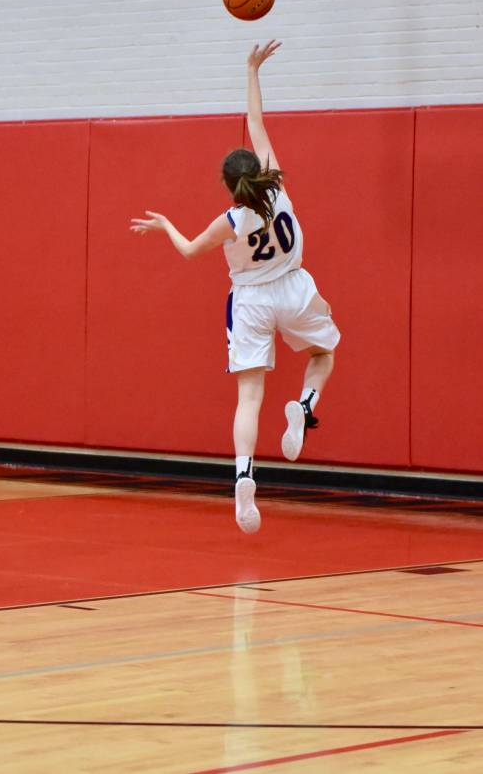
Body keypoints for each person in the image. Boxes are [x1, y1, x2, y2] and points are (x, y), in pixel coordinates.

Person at [131, 41, 340, 534]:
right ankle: (305, 407)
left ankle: (245, 475)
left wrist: (166, 226)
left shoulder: (230, 221)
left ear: (228, 186)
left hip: (251, 301)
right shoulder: (277, 186)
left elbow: (189, 251)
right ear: (259, 171)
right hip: (293, 288)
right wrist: (253, 70)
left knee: (249, 396)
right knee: (323, 354)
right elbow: (256, 121)